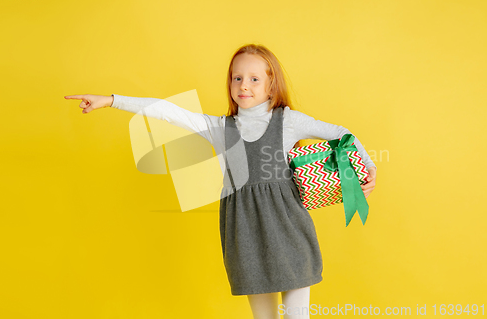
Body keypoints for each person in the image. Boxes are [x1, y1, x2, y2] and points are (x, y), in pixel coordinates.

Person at [65, 43, 377, 319]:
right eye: (237, 77)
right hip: (245, 237)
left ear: (271, 86)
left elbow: (341, 134)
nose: (244, 85)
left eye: (255, 79)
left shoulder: (288, 121)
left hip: (289, 232)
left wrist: (366, 168)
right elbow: (166, 112)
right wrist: (110, 100)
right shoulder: (220, 128)